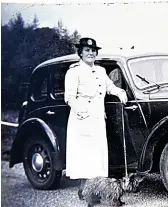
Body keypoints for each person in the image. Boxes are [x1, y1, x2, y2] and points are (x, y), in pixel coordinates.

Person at [64, 37, 128, 199]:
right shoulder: (74, 72)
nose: (91, 53)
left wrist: (120, 92)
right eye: (87, 50)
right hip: (82, 119)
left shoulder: (100, 71)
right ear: (80, 53)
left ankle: (96, 190)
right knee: (85, 155)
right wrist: (81, 111)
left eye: (93, 51)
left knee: (98, 155)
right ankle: (84, 190)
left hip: (98, 118)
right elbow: (69, 97)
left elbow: (109, 87)